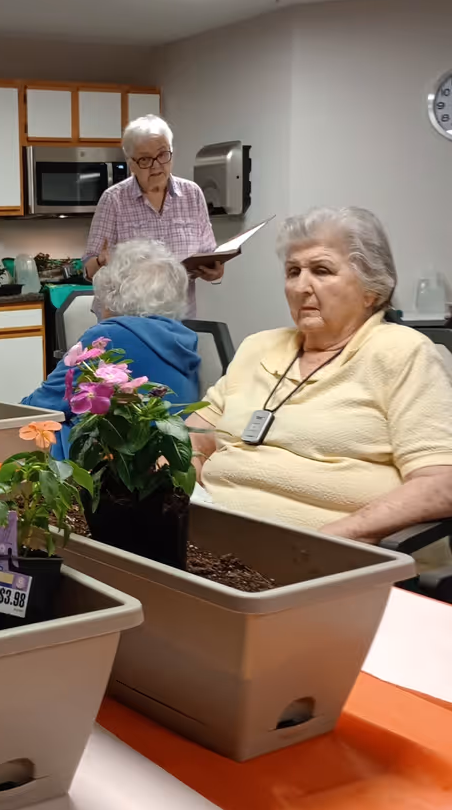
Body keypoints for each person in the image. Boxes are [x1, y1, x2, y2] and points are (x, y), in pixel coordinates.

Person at [187, 207, 452, 551]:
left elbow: (441, 482)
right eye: (293, 271)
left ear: (371, 289)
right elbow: (192, 439)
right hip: (206, 543)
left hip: (320, 560)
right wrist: (185, 500)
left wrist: (331, 540)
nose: (301, 287)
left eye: (321, 271)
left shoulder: (402, 353)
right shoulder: (259, 347)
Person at [23, 240, 201, 459]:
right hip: (173, 459)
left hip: (113, 467)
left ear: (112, 292)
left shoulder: (109, 337)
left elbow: (39, 408)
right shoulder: (182, 336)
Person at [83, 114, 223, 317]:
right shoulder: (113, 200)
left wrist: (215, 271)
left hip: (179, 318)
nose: (156, 165)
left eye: (163, 154)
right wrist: (100, 262)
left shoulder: (192, 194)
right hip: (127, 321)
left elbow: (208, 252)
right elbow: (88, 269)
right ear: (131, 164)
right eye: (145, 159)